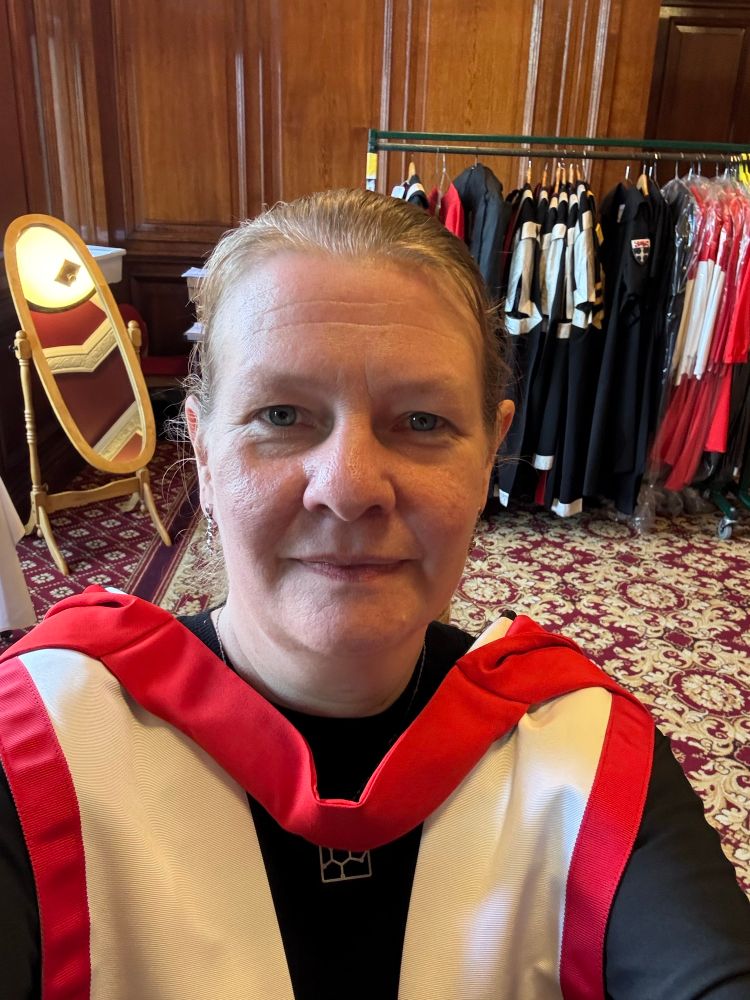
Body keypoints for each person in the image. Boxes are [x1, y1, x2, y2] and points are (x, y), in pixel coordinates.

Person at [0, 189, 748, 1000]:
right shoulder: (43, 745)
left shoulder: (581, 753)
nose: (350, 487)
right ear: (205, 456)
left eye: (421, 421)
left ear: (490, 457)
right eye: (281, 414)